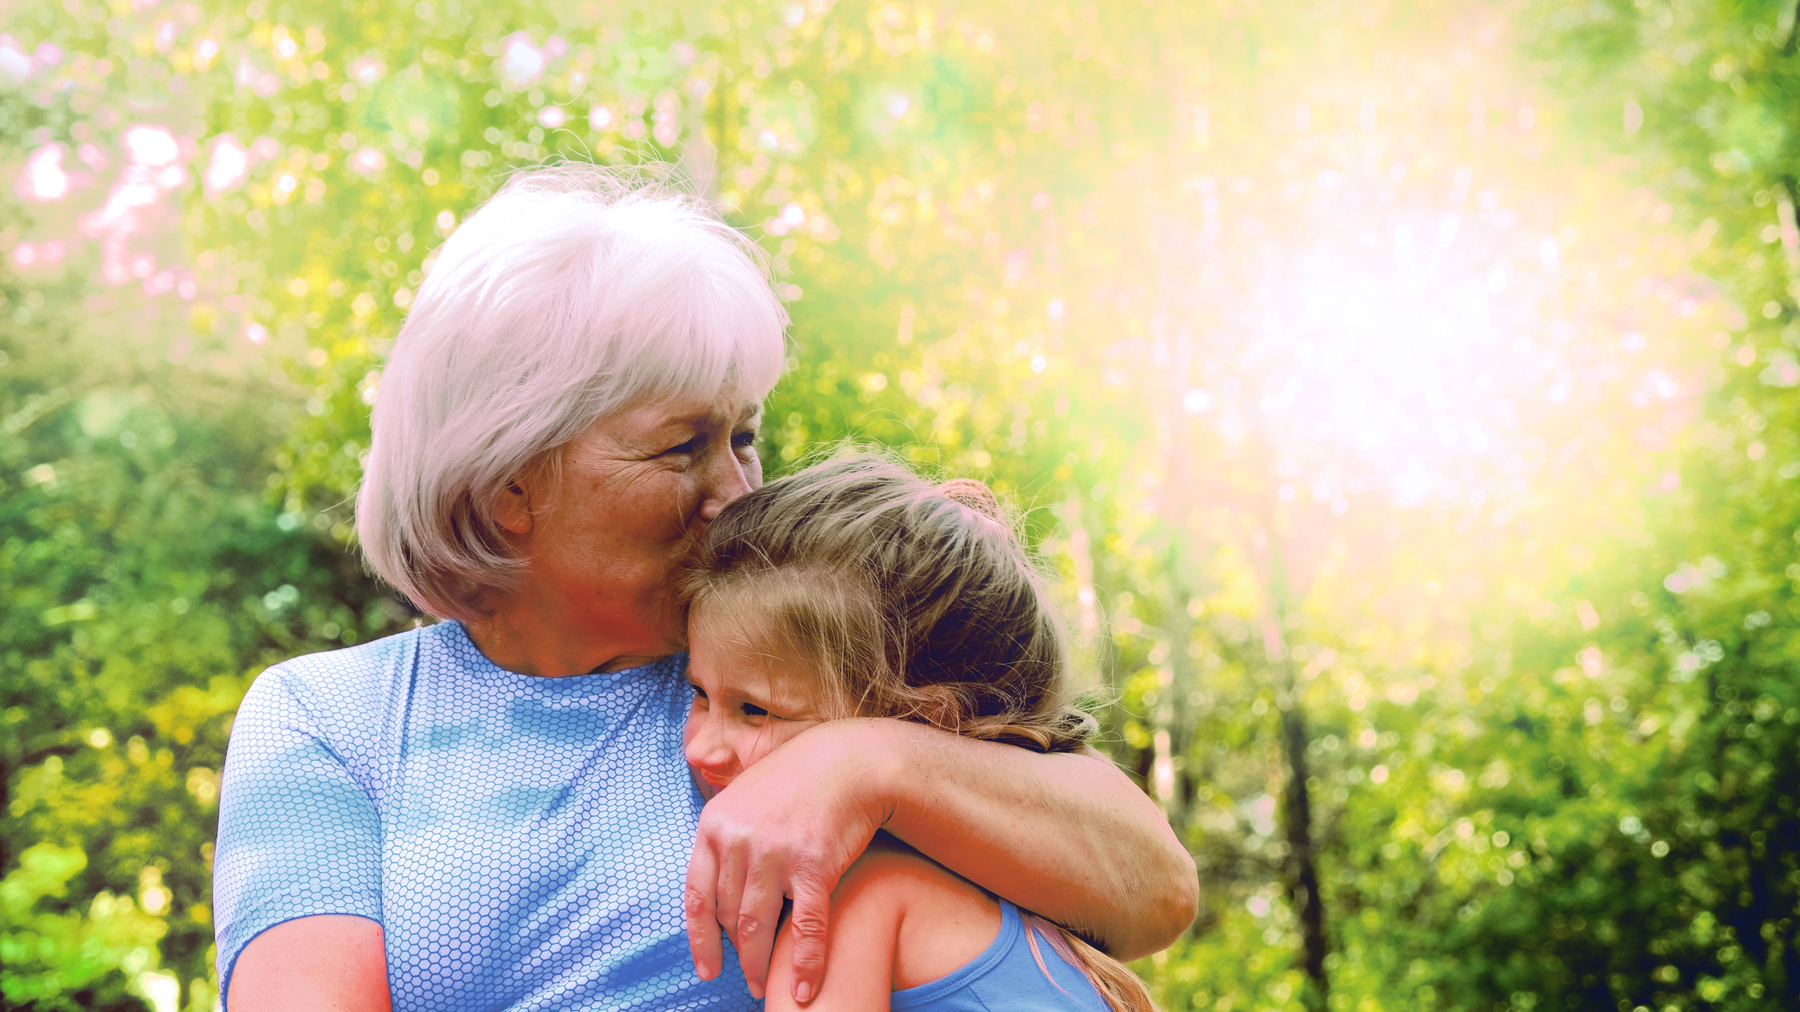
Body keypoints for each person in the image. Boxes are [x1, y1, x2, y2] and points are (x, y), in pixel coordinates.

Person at [211, 164, 1196, 1012]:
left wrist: (868, 759)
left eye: (746, 435)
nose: (739, 489)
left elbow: (1151, 891)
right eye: (685, 445)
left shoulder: (814, 662)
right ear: (511, 482)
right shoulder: (330, 717)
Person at [682, 455, 1161, 1012]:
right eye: (699, 695)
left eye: (756, 710)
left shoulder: (851, 901)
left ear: (926, 724)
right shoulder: (1043, 912)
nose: (700, 746)